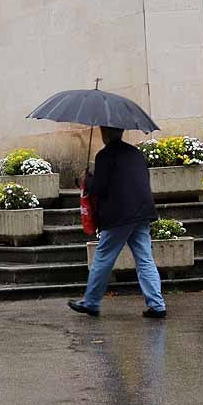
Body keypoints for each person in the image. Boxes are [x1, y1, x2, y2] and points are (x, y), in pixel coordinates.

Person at [68, 126, 167, 318]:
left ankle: (91, 302)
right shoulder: (135, 153)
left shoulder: (104, 155)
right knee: (145, 258)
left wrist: (85, 180)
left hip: (119, 215)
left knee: (103, 258)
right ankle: (157, 305)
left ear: (105, 133)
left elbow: (99, 189)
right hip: (142, 211)